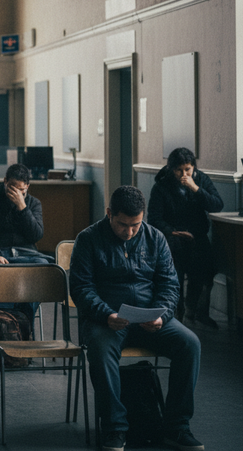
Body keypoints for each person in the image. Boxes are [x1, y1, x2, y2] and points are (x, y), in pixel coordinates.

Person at [70, 185, 203, 451]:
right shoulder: (88, 239)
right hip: (107, 320)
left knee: (190, 344)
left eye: (136, 225)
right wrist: (106, 314)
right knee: (100, 349)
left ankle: (176, 427)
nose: (129, 231)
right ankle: (115, 428)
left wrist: (162, 315)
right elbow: (81, 288)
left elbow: (169, 285)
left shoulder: (155, 238)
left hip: (150, 319)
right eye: (123, 225)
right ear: (109, 213)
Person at [148, 147, 223, 328]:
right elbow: (154, 219)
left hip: (197, 236)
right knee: (175, 278)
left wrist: (195, 188)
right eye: (179, 170)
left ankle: (196, 312)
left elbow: (217, 205)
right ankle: (177, 315)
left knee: (206, 272)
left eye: (187, 169)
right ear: (171, 169)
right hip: (173, 237)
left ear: (193, 167)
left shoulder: (201, 179)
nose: (184, 174)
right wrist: (173, 232)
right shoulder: (161, 185)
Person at [0, 163, 48, 324]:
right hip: (0, 253)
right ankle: (6, 318)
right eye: (12, 188)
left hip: (26, 255)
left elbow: (36, 235)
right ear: (5, 181)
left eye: (21, 190)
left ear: (27, 186)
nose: (15, 193)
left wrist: (22, 207)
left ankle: (23, 322)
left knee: (43, 268)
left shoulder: (33, 203)